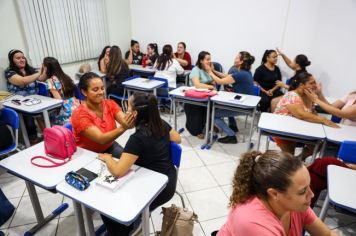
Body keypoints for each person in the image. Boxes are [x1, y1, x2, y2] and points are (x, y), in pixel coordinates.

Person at [98, 92, 181, 235]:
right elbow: (178, 139)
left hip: (155, 189)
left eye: (128, 108)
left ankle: (125, 230)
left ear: (135, 113)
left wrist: (107, 158)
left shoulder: (137, 138)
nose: (126, 111)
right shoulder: (161, 124)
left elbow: (118, 171)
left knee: (106, 207)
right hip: (169, 179)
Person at [216, 150, 339, 236]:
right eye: (302, 191)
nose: (311, 195)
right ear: (274, 194)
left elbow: (327, 234)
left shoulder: (296, 205)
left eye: (309, 187)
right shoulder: (254, 224)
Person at [273, 72, 339, 160]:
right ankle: (294, 162)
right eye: (312, 83)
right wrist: (324, 120)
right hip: (283, 130)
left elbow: (314, 112)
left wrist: (319, 94)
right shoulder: (292, 95)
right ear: (301, 85)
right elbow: (301, 114)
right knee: (289, 158)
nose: (315, 85)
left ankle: (299, 159)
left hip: (300, 129)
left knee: (319, 145)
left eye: (315, 82)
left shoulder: (308, 96)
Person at [71, 72, 135, 157]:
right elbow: (101, 139)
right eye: (95, 89)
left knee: (130, 162)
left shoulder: (109, 104)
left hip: (109, 146)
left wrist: (132, 116)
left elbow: (127, 122)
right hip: (87, 153)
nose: (101, 92)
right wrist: (123, 127)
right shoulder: (79, 115)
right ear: (84, 92)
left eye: (102, 88)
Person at [208, 51, 255, 143]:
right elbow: (226, 76)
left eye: (237, 57)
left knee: (214, 115)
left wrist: (209, 72)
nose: (235, 59)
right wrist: (213, 71)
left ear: (241, 62)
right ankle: (233, 126)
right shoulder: (245, 72)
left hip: (243, 106)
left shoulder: (240, 74)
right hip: (244, 102)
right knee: (222, 105)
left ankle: (231, 135)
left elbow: (220, 81)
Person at [4, 49, 47, 144]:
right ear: (12, 60)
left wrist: (45, 71)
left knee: (44, 119)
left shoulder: (30, 69)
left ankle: (49, 137)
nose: (22, 60)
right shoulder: (9, 72)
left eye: (23, 57)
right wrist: (39, 73)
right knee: (29, 124)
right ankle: (33, 142)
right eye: (18, 58)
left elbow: (41, 78)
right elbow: (22, 81)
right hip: (21, 105)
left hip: (36, 101)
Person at [185, 51, 216, 138]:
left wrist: (212, 71)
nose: (209, 61)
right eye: (207, 59)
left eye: (210, 59)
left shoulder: (208, 69)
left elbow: (214, 81)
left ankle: (210, 125)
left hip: (206, 94)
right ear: (201, 60)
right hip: (195, 97)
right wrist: (210, 86)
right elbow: (197, 85)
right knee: (198, 112)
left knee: (212, 108)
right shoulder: (196, 69)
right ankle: (196, 131)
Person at [42, 57, 79, 125]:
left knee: (45, 116)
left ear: (46, 68)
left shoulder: (50, 81)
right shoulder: (66, 76)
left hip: (65, 111)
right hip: (76, 105)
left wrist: (43, 73)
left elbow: (58, 100)